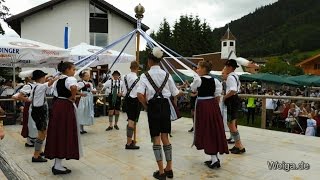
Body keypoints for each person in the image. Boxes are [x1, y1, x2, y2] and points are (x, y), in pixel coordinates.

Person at [137, 47, 180, 180]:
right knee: (165, 137)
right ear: (160, 61)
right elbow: (175, 93)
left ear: (150, 61)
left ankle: (161, 172)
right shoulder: (167, 75)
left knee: (156, 138)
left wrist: (146, 106)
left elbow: (139, 95)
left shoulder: (145, 75)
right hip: (165, 106)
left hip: (153, 106)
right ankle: (170, 168)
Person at [189, 61, 229, 169]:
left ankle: (214, 159)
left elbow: (192, 90)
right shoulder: (215, 80)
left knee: (207, 130)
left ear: (203, 69)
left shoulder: (198, 80)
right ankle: (213, 158)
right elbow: (217, 96)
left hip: (203, 106)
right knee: (213, 130)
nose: (196, 70)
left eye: (198, 68)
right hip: (212, 106)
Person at [45, 61, 80, 175]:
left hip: (57, 105)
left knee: (58, 133)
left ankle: (57, 163)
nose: (74, 71)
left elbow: (52, 92)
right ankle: (58, 165)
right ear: (67, 70)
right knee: (64, 132)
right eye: (73, 69)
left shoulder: (58, 80)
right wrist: (73, 97)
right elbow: (74, 87)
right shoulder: (70, 79)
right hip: (65, 107)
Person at [29, 70, 58, 163]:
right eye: (43, 76)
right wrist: (56, 77)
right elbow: (50, 83)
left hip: (37, 111)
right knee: (42, 135)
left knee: (41, 133)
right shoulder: (41, 86)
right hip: (39, 111)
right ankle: (36, 156)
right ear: (40, 78)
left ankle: (39, 151)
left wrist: (50, 79)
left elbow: (48, 88)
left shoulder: (35, 86)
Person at [223, 59, 246, 154]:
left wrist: (224, 97)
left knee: (231, 124)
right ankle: (237, 145)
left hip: (231, 100)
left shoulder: (230, 77)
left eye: (226, 66)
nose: (224, 68)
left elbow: (232, 90)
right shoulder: (235, 76)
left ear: (229, 67)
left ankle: (239, 145)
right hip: (235, 99)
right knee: (231, 123)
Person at [12, 70, 37, 147]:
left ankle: (32, 140)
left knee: (32, 123)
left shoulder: (34, 85)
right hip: (30, 106)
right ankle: (30, 141)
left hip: (33, 106)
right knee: (30, 123)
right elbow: (15, 96)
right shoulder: (28, 86)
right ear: (29, 78)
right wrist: (28, 99)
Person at [122, 61, 141, 150]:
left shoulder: (124, 77)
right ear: (137, 68)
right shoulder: (138, 79)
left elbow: (124, 91)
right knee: (131, 122)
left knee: (130, 120)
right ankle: (129, 143)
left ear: (130, 67)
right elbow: (139, 93)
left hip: (126, 100)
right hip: (134, 101)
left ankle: (129, 140)